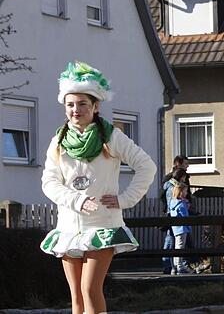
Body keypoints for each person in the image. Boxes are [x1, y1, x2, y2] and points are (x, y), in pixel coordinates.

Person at [40, 61, 156, 314]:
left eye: (82, 104)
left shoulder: (111, 136)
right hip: (69, 227)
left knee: (90, 289)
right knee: (77, 297)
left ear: (95, 106)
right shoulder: (58, 141)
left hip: (102, 225)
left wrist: (125, 199)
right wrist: (77, 200)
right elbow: (49, 182)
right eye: (70, 104)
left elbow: (147, 166)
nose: (76, 110)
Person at [160, 156, 190, 274]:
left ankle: (174, 266)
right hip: (175, 217)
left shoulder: (169, 183)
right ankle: (176, 266)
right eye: (186, 163)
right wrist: (184, 203)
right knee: (176, 242)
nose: (187, 166)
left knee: (175, 241)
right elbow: (173, 202)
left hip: (172, 214)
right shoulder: (174, 186)